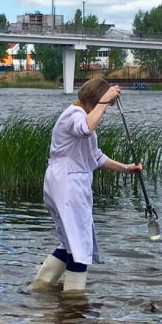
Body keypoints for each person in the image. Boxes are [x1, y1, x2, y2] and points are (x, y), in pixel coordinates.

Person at [31, 78, 142, 293]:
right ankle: (74, 303)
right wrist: (104, 102)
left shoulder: (80, 115)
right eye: (104, 105)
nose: (106, 110)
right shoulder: (75, 115)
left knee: (68, 244)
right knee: (80, 247)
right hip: (68, 185)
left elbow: (95, 156)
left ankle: (38, 289)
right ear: (94, 100)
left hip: (62, 182)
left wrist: (125, 168)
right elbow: (85, 129)